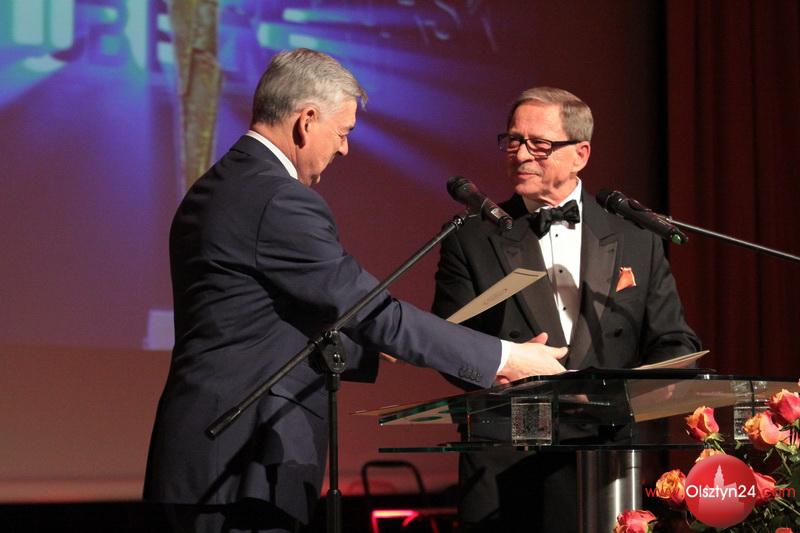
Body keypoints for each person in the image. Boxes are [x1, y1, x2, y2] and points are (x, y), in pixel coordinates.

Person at [143, 50, 568, 533]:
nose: (344, 149)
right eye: (342, 132)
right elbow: (370, 310)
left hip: (210, 459)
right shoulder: (278, 198)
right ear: (307, 120)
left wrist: (371, 346)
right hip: (243, 464)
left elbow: (254, 321)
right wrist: (506, 358)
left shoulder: (222, 183)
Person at [431, 87, 701, 532]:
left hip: (607, 455)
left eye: (538, 144)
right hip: (508, 456)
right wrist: (500, 367)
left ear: (581, 154)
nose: (521, 155)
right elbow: (446, 340)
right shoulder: (472, 237)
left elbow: (674, 340)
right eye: (512, 141)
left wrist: (653, 384)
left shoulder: (635, 236)